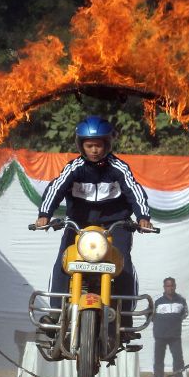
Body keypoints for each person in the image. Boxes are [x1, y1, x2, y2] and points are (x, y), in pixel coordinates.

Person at [35, 115, 153, 334]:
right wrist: (44, 214)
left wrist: (143, 217)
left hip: (115, 225)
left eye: (98, 145)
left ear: (107, 144)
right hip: (78, 225)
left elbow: (134, 191)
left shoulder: (119, 168)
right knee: (63, 262)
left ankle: (125, 318)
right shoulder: (74, 167)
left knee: (123, 265)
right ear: (81, 145)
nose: (94, 150)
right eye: (89, 145)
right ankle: (56, 313)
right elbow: (56, 188)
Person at [153, 277, 188, 377]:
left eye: (172, 285)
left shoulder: (181, 300)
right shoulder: (157, 300)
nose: (170, 288)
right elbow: (150, 315)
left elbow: (185, 314)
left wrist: (173, 321)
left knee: (178, 360)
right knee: (159, 360)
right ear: (164, 287)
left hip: (175, 336)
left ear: (175, 286)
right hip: (160, 335)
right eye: (168, 286)